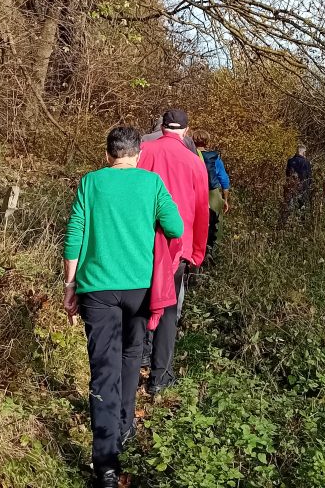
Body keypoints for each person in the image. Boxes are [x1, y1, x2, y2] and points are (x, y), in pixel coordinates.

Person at [62, 126, 184, 488]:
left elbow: (74, 235)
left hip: (97, 289)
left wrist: (70, 285)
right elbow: (175, 226)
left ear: (107, 155)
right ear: (139, 155)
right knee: (133, 353)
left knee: (103, 368)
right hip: (141, 289)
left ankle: (106, 466)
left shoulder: (91, 183)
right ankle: (125, 425)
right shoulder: (151, 183)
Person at [137, 108, 209, 395]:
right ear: (186, 131)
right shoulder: (194, 162)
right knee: (168, 309)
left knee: (140, 298)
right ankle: (160, 376)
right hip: (177, 247)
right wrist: (197, 253)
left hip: (141, 240)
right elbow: (201, 210)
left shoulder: (142, 151)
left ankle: (139, 353)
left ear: (162, 126)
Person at [193, 131, 230, 259]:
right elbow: (223, 178)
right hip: (212, 192)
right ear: (207, 141)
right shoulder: (214, 157)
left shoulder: (189, 155)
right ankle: (213, 253)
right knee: (216, 223)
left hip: (194, 192)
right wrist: (225, 199)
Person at [282, 144, 313, 220]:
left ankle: (287, 222)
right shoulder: (306, 162)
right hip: (303, 187)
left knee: (289, 206)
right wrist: (308, 187)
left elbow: (287, 175)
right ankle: (301, 223)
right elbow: (309, 177)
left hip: (291, 187)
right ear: (303, 152)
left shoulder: (290, 161)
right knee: (301, 206)